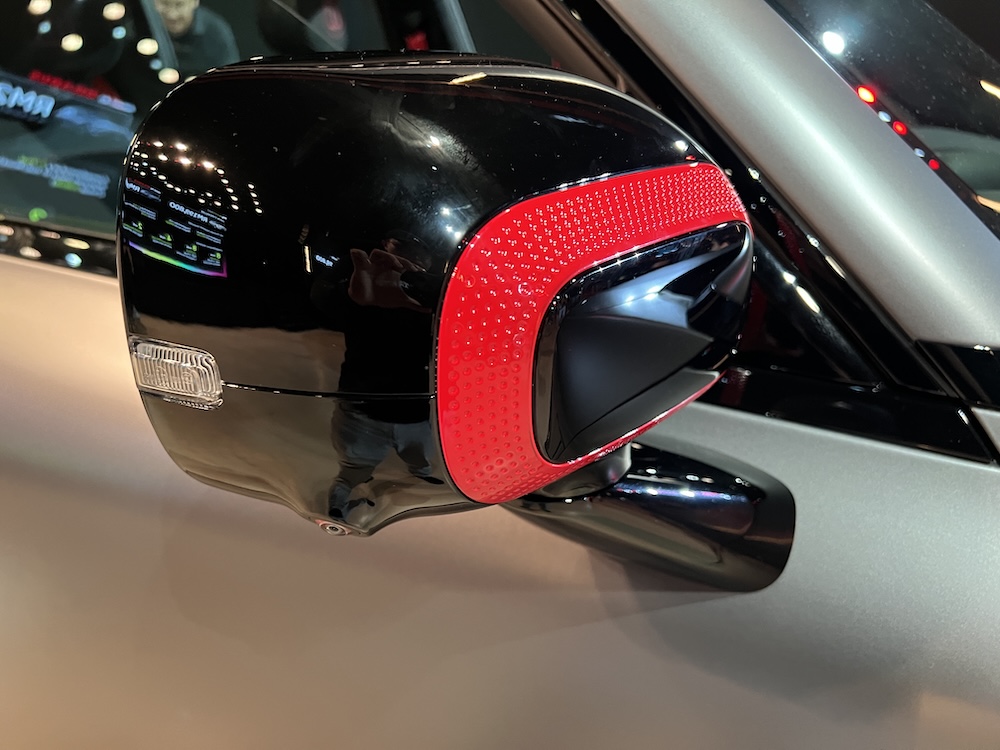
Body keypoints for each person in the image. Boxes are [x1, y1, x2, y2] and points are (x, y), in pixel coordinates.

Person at [154, 0, 240, 79]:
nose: (172, 15)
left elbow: (230, 75)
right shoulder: (147, 27)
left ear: (195, 2)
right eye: (165, 4)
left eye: (179, 5)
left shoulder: (215, 30)